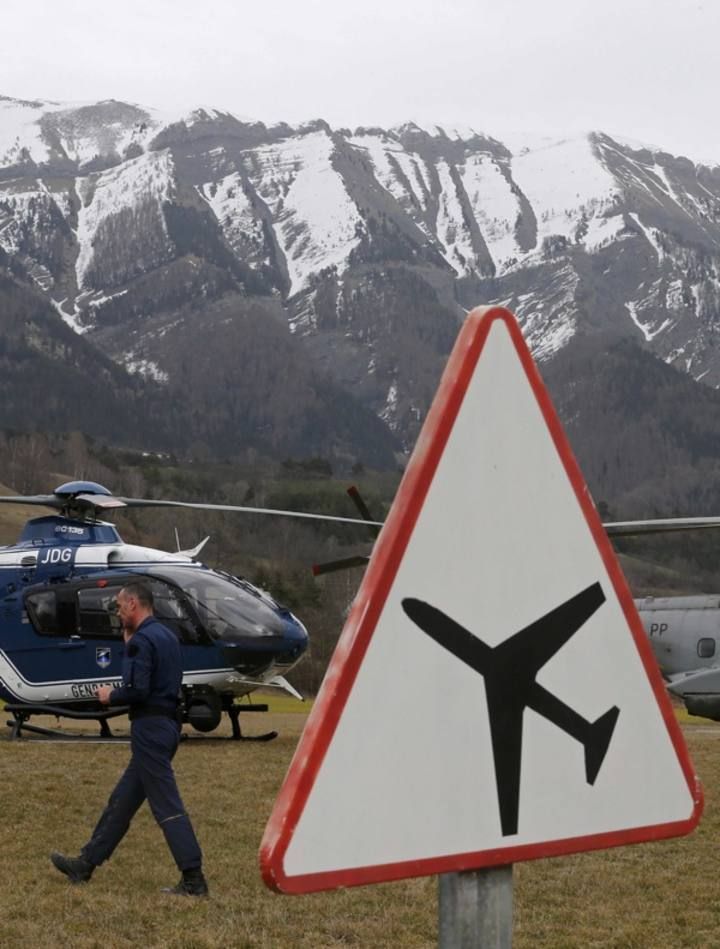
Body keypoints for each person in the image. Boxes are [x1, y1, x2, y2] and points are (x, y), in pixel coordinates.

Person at [50, 581, 208, 896]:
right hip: (166, 727)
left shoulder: (141, 641)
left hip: (149, 728)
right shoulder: (167, 636)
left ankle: (193, 879)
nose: (118, 612)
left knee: (166, 805)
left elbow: (137, 689)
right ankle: (85, 864)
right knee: (122, 801)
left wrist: (110, 695)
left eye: (120, 606)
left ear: (134, 603)